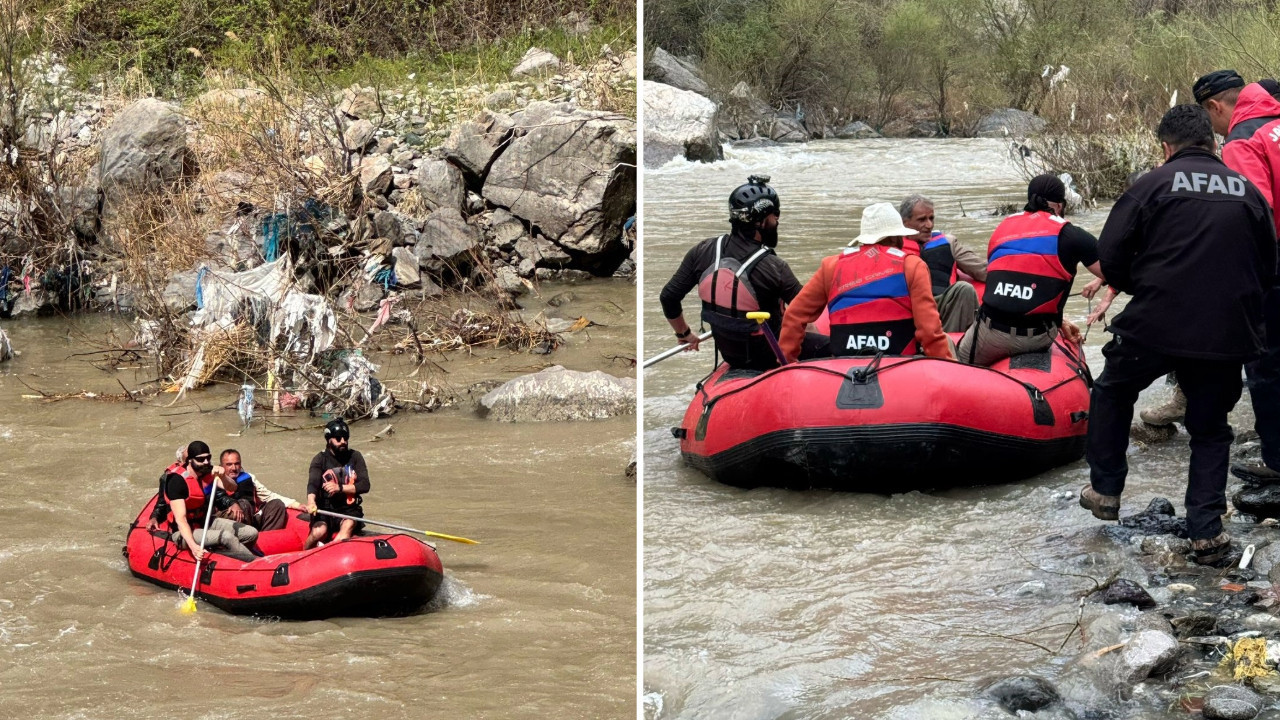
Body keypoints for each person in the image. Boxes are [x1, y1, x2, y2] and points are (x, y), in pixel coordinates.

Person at [1079, 104, 1276, 565]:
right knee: (1210, 429)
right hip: (1227, 331)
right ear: (1213, 142)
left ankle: (1106, 490)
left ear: (1166, 147)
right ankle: (1205, 529)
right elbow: (1267, 265)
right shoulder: (1248, 193)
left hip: (1155, 322)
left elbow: (1110, 254)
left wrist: (1140, 284)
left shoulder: (1152, 184)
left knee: (1112, 390)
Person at [1194, 69, 1280, 483]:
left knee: (1266, 363)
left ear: (1215, 106)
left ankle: (1278, 460)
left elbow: (1256, 214)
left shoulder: (1243, 139)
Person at [658, 175, 825, 370]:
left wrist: (683, 333)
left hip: (731, 356)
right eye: (775, 214)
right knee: (835, 346)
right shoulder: (774, 267)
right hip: (772, 356)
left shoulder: (702, 251)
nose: (778, 220)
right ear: (760, 222)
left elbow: (668, 297)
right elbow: (807, 312)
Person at [955, 174, 1100, 366]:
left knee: (957, 361)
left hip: (989, 334)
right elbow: (1114, 271)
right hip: (1036, 337)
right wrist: (1099, 282)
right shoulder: (1073, 235)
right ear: (1060, 205)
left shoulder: (1003, 227)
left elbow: (999, 276)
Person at [779, 203, 953, 362]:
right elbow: (930, 331)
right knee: (947, 341)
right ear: (897, 237)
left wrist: (787, 363)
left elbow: (794, 315)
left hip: (844, 367)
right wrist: (948, 370)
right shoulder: (912, 266)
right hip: (898, 365)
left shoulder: (831, 266)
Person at [161, 440, 260, 562]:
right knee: (226, 536)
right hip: (183, 532)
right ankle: (253, 564)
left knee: (251, 533)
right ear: (190, 460)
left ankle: (232, 559)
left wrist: (223, 477)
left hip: (205, 522)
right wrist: (193, 547)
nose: (206, 462)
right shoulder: (177, 481)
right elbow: (181, 520)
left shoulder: (208, 471)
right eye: (201, 459)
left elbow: (232, 488)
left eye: (208, 458)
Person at [899, 194, 987, 332]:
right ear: (905, 223)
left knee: (964, 289)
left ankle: (954, 344)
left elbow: (982, 269)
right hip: (907, 308)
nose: (929, 225)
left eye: (931, 218)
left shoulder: (949, 242)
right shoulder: (892, 246)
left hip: (941, 306)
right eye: (922, 220)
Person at [304, 418, 370, 550]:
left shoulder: (355, 457)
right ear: (329, 440)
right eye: (338, 439)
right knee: (319, 532)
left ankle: (330, 553)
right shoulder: (320, 459)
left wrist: (339, 488)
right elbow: (313, 484)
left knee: (348, 525)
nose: (343, 442)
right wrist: (311, 502)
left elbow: (365, 485)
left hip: (349, 510)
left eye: (345, 438)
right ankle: (303, 553)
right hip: (325, 510)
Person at [214, 449, 305, 532]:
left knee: (277, 503)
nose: (234, 468)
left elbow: (269, 496)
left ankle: (266, 540)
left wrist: (297, 505)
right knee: (244, 504)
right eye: (229, 464)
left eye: (237, 464)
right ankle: (245, 539)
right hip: (229, 521)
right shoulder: (214, 481)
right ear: (221, 466)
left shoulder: (249, 478)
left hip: (251, 517)